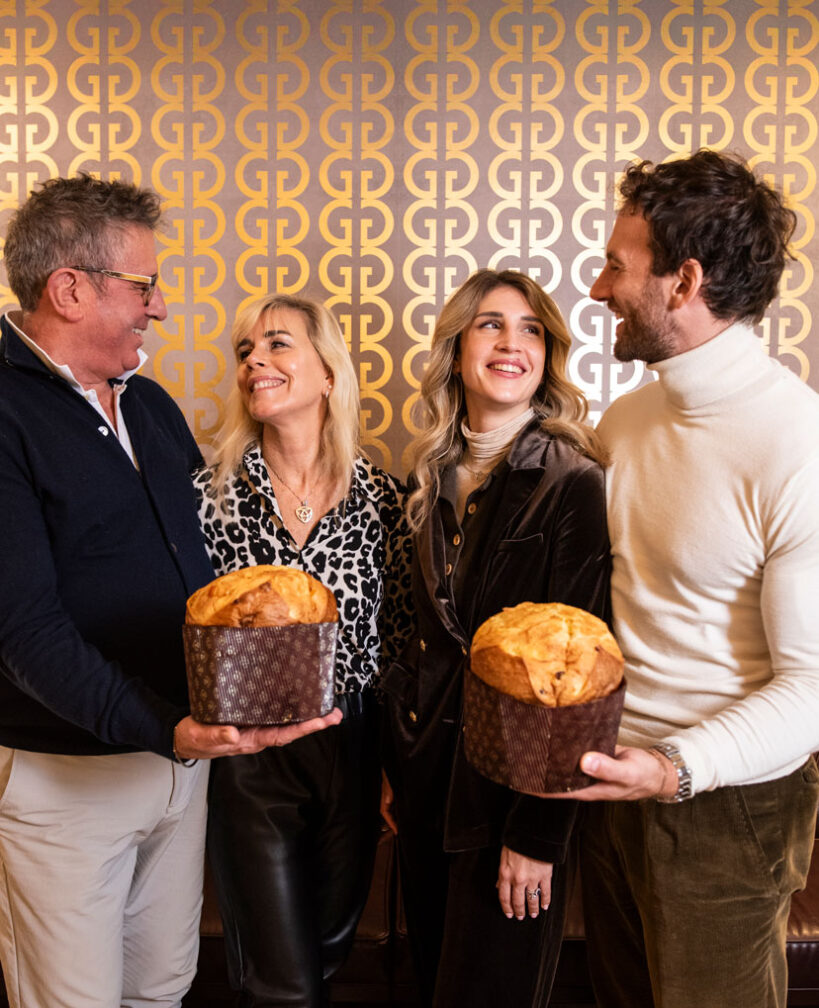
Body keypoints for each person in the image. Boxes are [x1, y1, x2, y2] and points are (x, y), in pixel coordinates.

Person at [0, 175, 340, 1008]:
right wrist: (167, 725)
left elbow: (199, 576)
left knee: (163, 987)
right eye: (144, 285)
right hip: (67, 782)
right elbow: (24, 628)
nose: (160, 307)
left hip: (181, 772)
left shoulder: (147, 404)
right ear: (71, 289)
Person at [548, 150, 819, 1008]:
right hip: (610, 785)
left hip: (727, 809)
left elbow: (811, 689)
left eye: (615, 268)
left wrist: (671, 768)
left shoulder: (794, 445)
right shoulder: (626, 422)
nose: (595, 290)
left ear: (682, 281)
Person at [379, 269, 611, 1007]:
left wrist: (538, 834)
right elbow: (418, 639)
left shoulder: (569, 480)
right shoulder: (428, 478)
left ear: (546, 355)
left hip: (511, 797)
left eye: (530, 329)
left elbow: (577, 679)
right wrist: (398, 763)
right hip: (426, 791)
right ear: (455, 351)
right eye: (489, 325)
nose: (511, 342)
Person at [194, 293, 413, 1007]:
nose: (255, 360)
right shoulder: (208, 495)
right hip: (250, 754)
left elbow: (400, 638)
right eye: (246, 350)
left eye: (277, 343)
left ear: (327, 373)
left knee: (324, 954)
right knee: (279, 979)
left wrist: (391, 767)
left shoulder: (383, 497)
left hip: (352, 742)